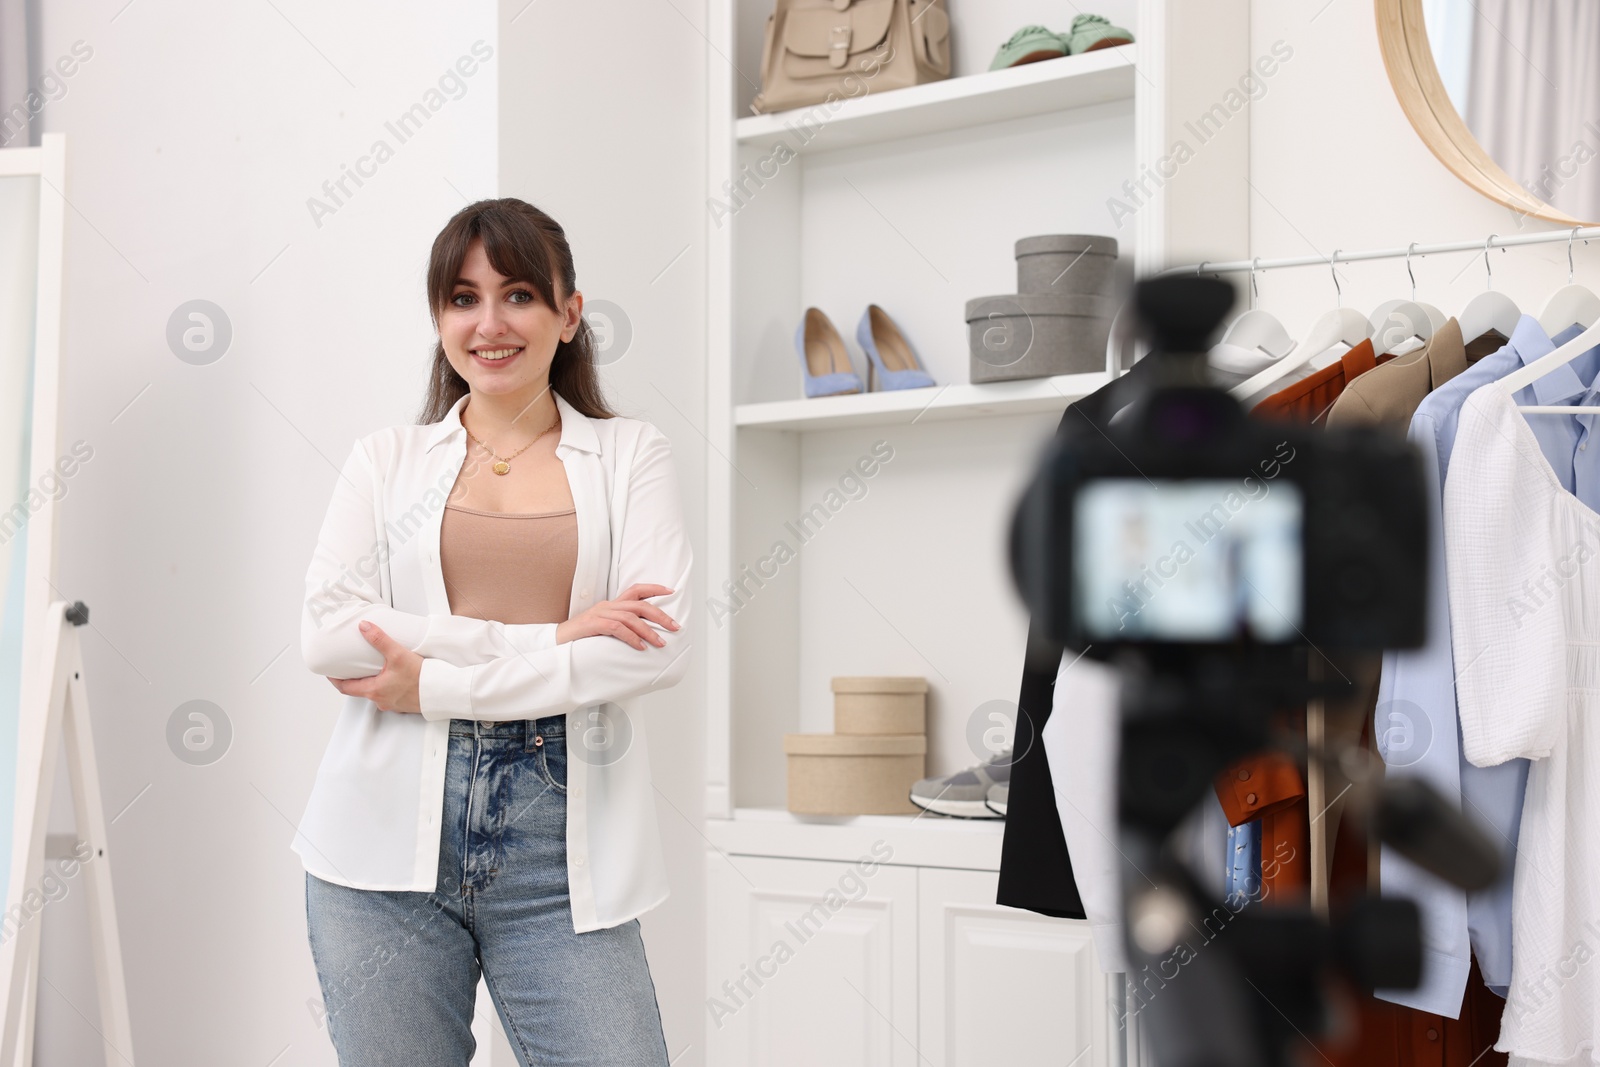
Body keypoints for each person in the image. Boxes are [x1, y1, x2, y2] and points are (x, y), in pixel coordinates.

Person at [295, 197, 692, 1066]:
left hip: (559, 856)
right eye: (463, 298)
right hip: (379, 855)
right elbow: (326, 637)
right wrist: (553, 639)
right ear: (440, 317)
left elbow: (658, 647)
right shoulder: (385, 460)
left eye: (518, 294)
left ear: (569, 313)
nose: (490, 323)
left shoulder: (631, 455)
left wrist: (432, 682)